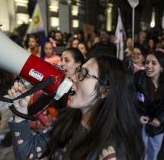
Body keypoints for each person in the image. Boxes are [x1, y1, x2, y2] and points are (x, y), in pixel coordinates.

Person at [8, 55, 144, 160]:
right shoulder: (69, 119)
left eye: (84, 74)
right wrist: (20, 111)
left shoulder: (113, 148)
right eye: (78, 71)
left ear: (104, 91)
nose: (72, 77)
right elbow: (29, 154)